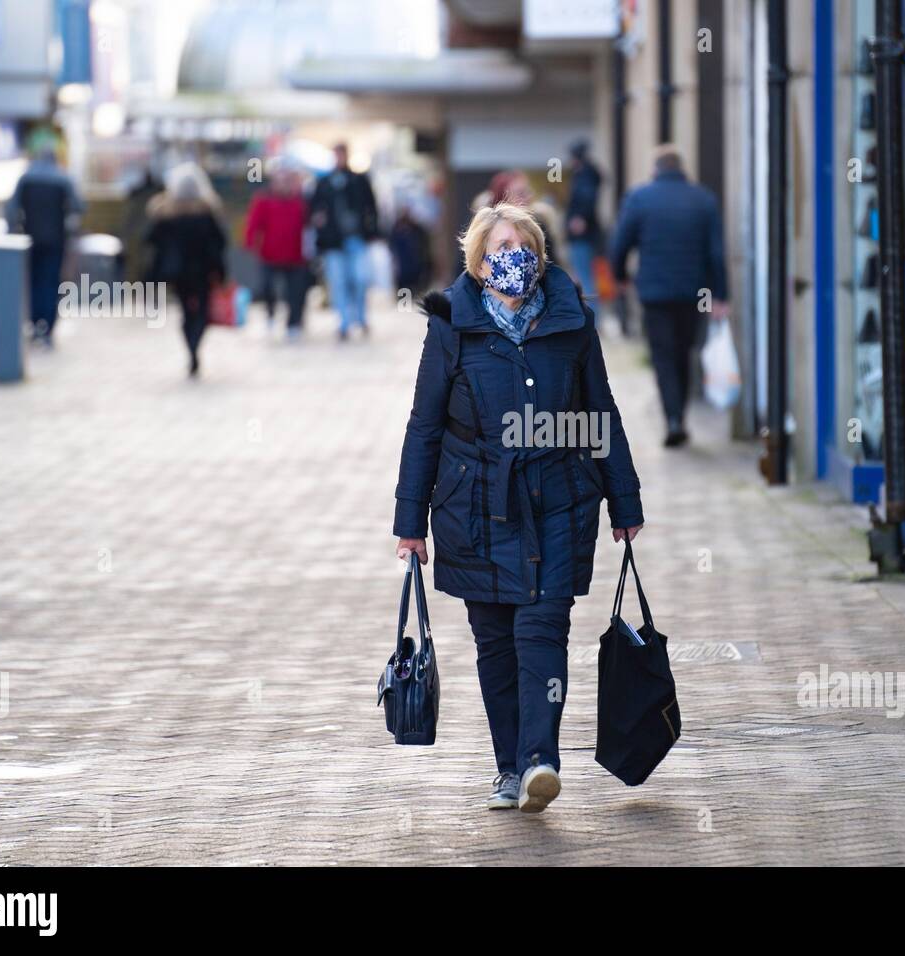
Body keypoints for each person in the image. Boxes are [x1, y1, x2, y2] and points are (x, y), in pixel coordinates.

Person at [393, 203, 644, 814]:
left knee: (542, 630)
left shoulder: (572, 320)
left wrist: (624, 499)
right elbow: (425, 425)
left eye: (523, 245)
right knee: (496, 644)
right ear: (479, 262)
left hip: (559, 499)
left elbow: (600, 414)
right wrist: (410, 522)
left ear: (538, 255)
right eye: (500, 245)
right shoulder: (451, 323)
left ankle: (540, 760)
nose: (513, 255)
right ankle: (509, 767)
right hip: (474, 505)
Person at [610, 143, 729, 448]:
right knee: (684, 353)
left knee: (662, 355)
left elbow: (620, 243)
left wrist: (620, 277)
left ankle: (673, 418)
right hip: (694, 292)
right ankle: (680, 416)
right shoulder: (703, 199)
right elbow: (716, 252)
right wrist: (720, 295)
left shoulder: (640, 197)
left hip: (654, 292)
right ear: (681, 167)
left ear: (656, 169)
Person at [144, 162, 227, 378]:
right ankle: (194, 346)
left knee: (185, 312)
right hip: (203, 271)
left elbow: (151, 242)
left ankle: (191, 347)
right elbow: (219, 243)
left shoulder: (165, 214)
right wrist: (220, 271)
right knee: (201, 311)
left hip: (177, 271)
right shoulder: (207, 213)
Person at [5, 139, 83, 348]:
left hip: (30, 238)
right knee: (50, 282)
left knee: (32, 281)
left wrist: (12, 230)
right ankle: (46, 326)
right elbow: (78, 206)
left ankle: (35, 322)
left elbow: (11, 208)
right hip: (55, 239)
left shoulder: (26, 177)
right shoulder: (62, 178)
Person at [309, 143, 378, 340]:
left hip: (356, 239)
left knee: (360, 279)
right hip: (333, 242)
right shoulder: (324, 182)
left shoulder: (359, 180)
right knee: (338, 283)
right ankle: (344, 322)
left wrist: (371, 231)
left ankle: (361, 317)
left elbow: (371, 207)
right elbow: (314, 209)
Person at [244, 164, 309, 339]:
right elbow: (253, 223)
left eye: (287, 181)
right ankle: (271, 314)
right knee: (267, 288)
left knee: (295, 292)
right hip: (269, 254)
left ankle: (293, 323)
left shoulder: (301, 201)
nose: (284, 185)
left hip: (296, 256)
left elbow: (309, 225)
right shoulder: (263, 200)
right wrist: (250, 243)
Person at [564, 140, 603, 301]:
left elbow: (586, 198)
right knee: (584, 276)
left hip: (582, 235)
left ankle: (591, 317)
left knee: (585, 278)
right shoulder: (586, 174)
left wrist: (580, 218)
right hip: (584, 234)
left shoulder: (584, 175)